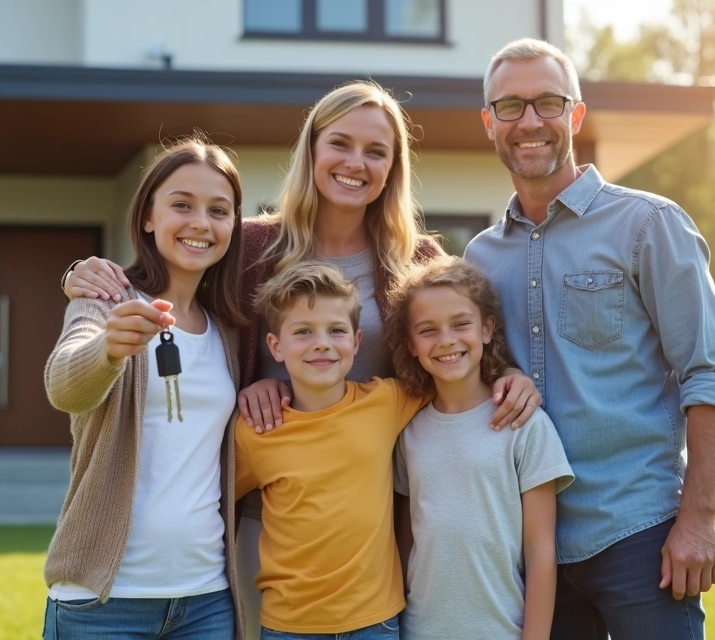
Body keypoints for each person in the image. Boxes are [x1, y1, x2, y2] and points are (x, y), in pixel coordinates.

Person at [59, 81, 545, 639]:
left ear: (393, 167)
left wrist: (503, 373)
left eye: (376, 151)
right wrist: (80, 273)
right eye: (339, 143)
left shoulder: (417, 259)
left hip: (369, 524)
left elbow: (451, 339)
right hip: (263, 517)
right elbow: (165, 271)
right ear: (311, 149)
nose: (355, 163)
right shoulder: (247, 246)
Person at [462, 38, 715, 639]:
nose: (530, 121)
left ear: (576, 114)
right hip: (530, 543)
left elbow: (711, 374)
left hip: (638, 536)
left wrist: (697, 521)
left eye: (547, 102)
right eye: (510, 107)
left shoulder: (649, 225)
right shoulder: (480, 257)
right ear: (490, 124)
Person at [41, 137, 247, 639]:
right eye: (181, 204)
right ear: (148, 217)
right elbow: (64, 387)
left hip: (207, 600)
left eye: (218, 210)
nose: (201, 222)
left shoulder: (230, 328)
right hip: (103, 601)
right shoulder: (106, 300)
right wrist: (108, 350)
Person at [233, 261, 427, 639]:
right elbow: (216, 502)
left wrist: (509, 377)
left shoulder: (386, 401)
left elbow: (455, 382)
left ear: (356, 342)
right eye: (303, 331)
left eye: (336, 331)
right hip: (289, 625)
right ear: (276, 346)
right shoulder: (256, 430)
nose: (322, 342)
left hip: (375, 620)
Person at [384, 256, 573, 639]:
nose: (447, 340)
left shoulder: (525, 425)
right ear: (410, 343)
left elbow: (540, 553)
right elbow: (407, 540)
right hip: (419, 630)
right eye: (428, 330)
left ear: (487, 328)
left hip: (500, 629)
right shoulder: (408, 432)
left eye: (461, 324)